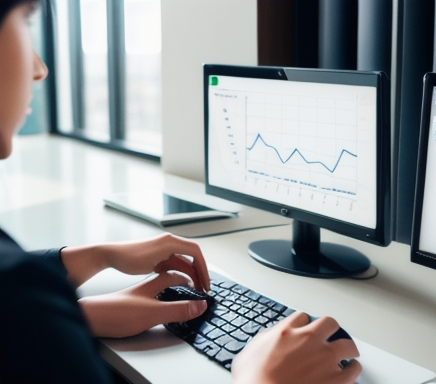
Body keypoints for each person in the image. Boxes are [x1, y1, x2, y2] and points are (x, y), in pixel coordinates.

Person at [0, 1, 362, 383]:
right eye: (25, 19)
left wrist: (92, 275)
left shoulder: (18, 296)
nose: (40, 69)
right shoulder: (19, 297)